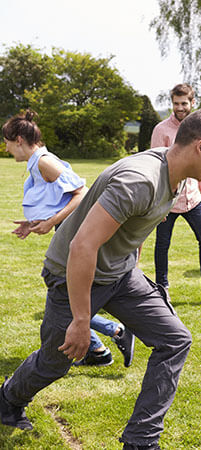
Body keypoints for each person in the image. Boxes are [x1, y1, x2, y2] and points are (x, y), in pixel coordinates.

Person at [0, 109, 201, 449]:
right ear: (200, 146)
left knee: (175, 340)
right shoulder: (139, 181)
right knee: (55, 361)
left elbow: (137, 224)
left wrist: (132, 259)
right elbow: (82, 246)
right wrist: (82, 321)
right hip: (72, 275)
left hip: (120, 274)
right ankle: (7, 399)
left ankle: (141, 441)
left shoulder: (177, 174)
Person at [2, 110, 135, 368]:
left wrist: (51, 222)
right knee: (64, 294)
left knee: (64, 297)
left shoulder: (44, 161)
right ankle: (97, 349)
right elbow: (57, 198)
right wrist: (34, 224)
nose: (6, 149)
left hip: (77, 236)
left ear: (18, 139)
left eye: (7, 143)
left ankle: (114, 334)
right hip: (69, 232)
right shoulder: (38, 163)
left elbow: (82, 194)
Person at [151, 83, 201, 305]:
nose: (179, 107)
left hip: (193, 197)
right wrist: (159, 203)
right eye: (176, 103)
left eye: (184, 103)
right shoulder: (161, 131)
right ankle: (162, 289)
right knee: (162, 244)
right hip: (169, 199)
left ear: (192, 103)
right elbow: (159, 167)